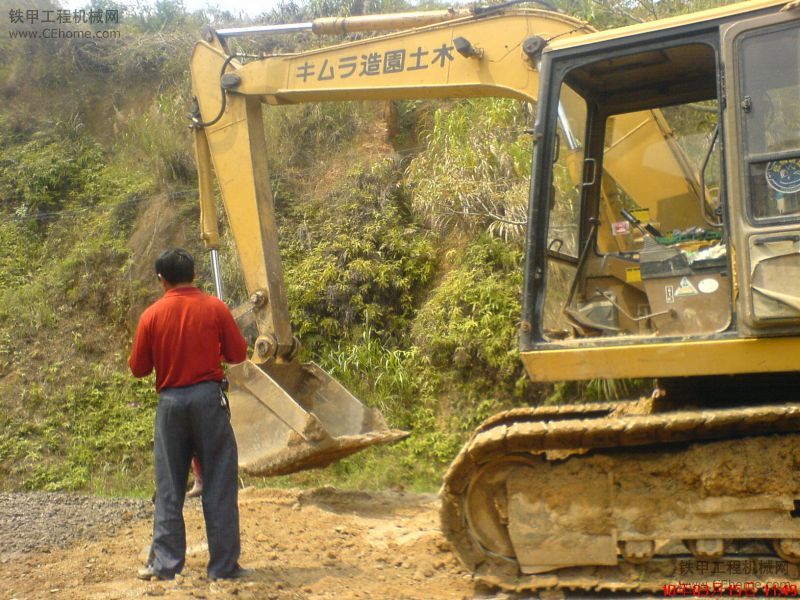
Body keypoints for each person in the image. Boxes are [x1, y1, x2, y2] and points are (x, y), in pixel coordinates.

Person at [129, 248, 250, 581]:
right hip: (209, 401)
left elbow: (139, 368)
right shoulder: (215, 308)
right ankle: (224, 568)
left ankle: (165, 566)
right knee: (220, 484)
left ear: (161, 279)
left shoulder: (151, 315)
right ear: (194, 274)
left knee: (170, 486)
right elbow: (238, 353)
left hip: (170, 405)